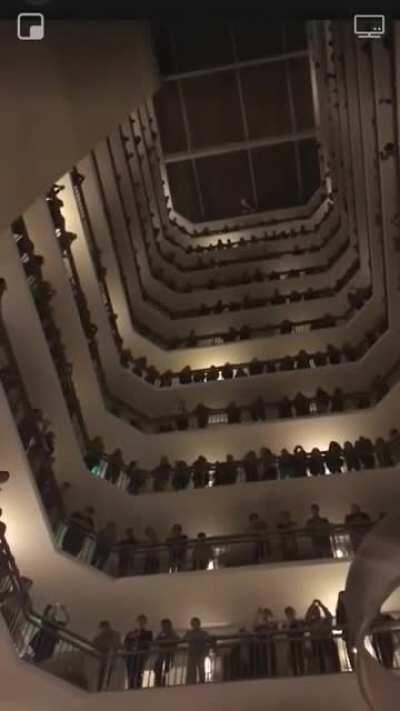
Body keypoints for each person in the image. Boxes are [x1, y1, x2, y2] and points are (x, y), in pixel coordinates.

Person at [305, 600, 340, 673]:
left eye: (317, 611)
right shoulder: (311, 622)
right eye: (314, 611)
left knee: (330, 659)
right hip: (316, 644)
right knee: (318, 661)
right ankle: (320, 671)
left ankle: (332, 671)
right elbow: (307, 617)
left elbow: (329, 615)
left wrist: (321, 605)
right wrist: (311, 606)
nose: (316, 612)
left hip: (327, 642)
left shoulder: (325, 620)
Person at [124, 615, 153, 689]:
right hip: (131, 656)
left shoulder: (148, 633)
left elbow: (149, 643)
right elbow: (126, 642)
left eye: (143, 621)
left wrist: (140, 635)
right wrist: (133, 636)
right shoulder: (130, 633)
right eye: (139, 621)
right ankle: (130, 687)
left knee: (139, 672)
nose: (141, 623)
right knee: (130, 672)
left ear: (145, 623)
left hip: (140, 655)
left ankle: (137, 686)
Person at [184, 617, 212, 684]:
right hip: (191, 654)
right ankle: (191, 682)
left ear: (199, 624)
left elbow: (209, 639)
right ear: (191, 624)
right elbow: (183, 640)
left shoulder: (203, 633)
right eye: (193, 623)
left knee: (201, 669)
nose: (194, 625)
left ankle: (202, 682)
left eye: (196, 623)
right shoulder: (189, 633)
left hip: (201, 653)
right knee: (191, 670)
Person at [154, 619, 180, 687]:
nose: (165, 627)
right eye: (163, 625)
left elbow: (178, 640)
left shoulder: (173, 633)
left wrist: (170, 638)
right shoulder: (161, 633)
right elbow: (156, 641)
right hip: (161, 654)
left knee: (166, 668)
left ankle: (164, 681)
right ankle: (158, 682)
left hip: (169, 654)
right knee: (157, 666)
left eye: (166, 625)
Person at [253, 608, 277, 677]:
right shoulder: (260, 622)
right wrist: (258, 615)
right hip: (263, 643)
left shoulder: (272, 621)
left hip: (270, 642)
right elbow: (255, 628)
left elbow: (274, 629)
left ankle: (273, 673)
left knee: (271, 658)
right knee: (263, 659)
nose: (265, 615)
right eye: (264, 613)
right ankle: (264, 673)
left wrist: (267, 624)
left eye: (267, 613)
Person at [335, 591, 354, 669]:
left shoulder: (353, 608)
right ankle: (353, 666)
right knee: (350, 650)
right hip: (348, 634)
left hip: (355, 632)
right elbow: (338, 625)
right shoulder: (340, 611)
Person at [284, 607, 305, 676]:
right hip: (292, 642)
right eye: (288, 613)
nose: (289, 614)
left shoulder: (298, 621)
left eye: (290, 612)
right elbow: (286, 632)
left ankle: (302, 672)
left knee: (300, 657)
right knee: (293, 658)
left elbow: (301, 631)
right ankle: (295, 672)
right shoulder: (286, 623)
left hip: (299, 642)